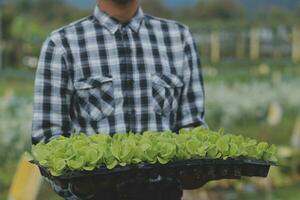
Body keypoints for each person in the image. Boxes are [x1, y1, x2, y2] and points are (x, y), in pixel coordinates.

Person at [31, 0, 206, 199]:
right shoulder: (62, 43)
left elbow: (192, 127)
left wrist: (195, 171)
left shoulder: (177, 37)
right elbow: (48, 138)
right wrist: (78, 185)